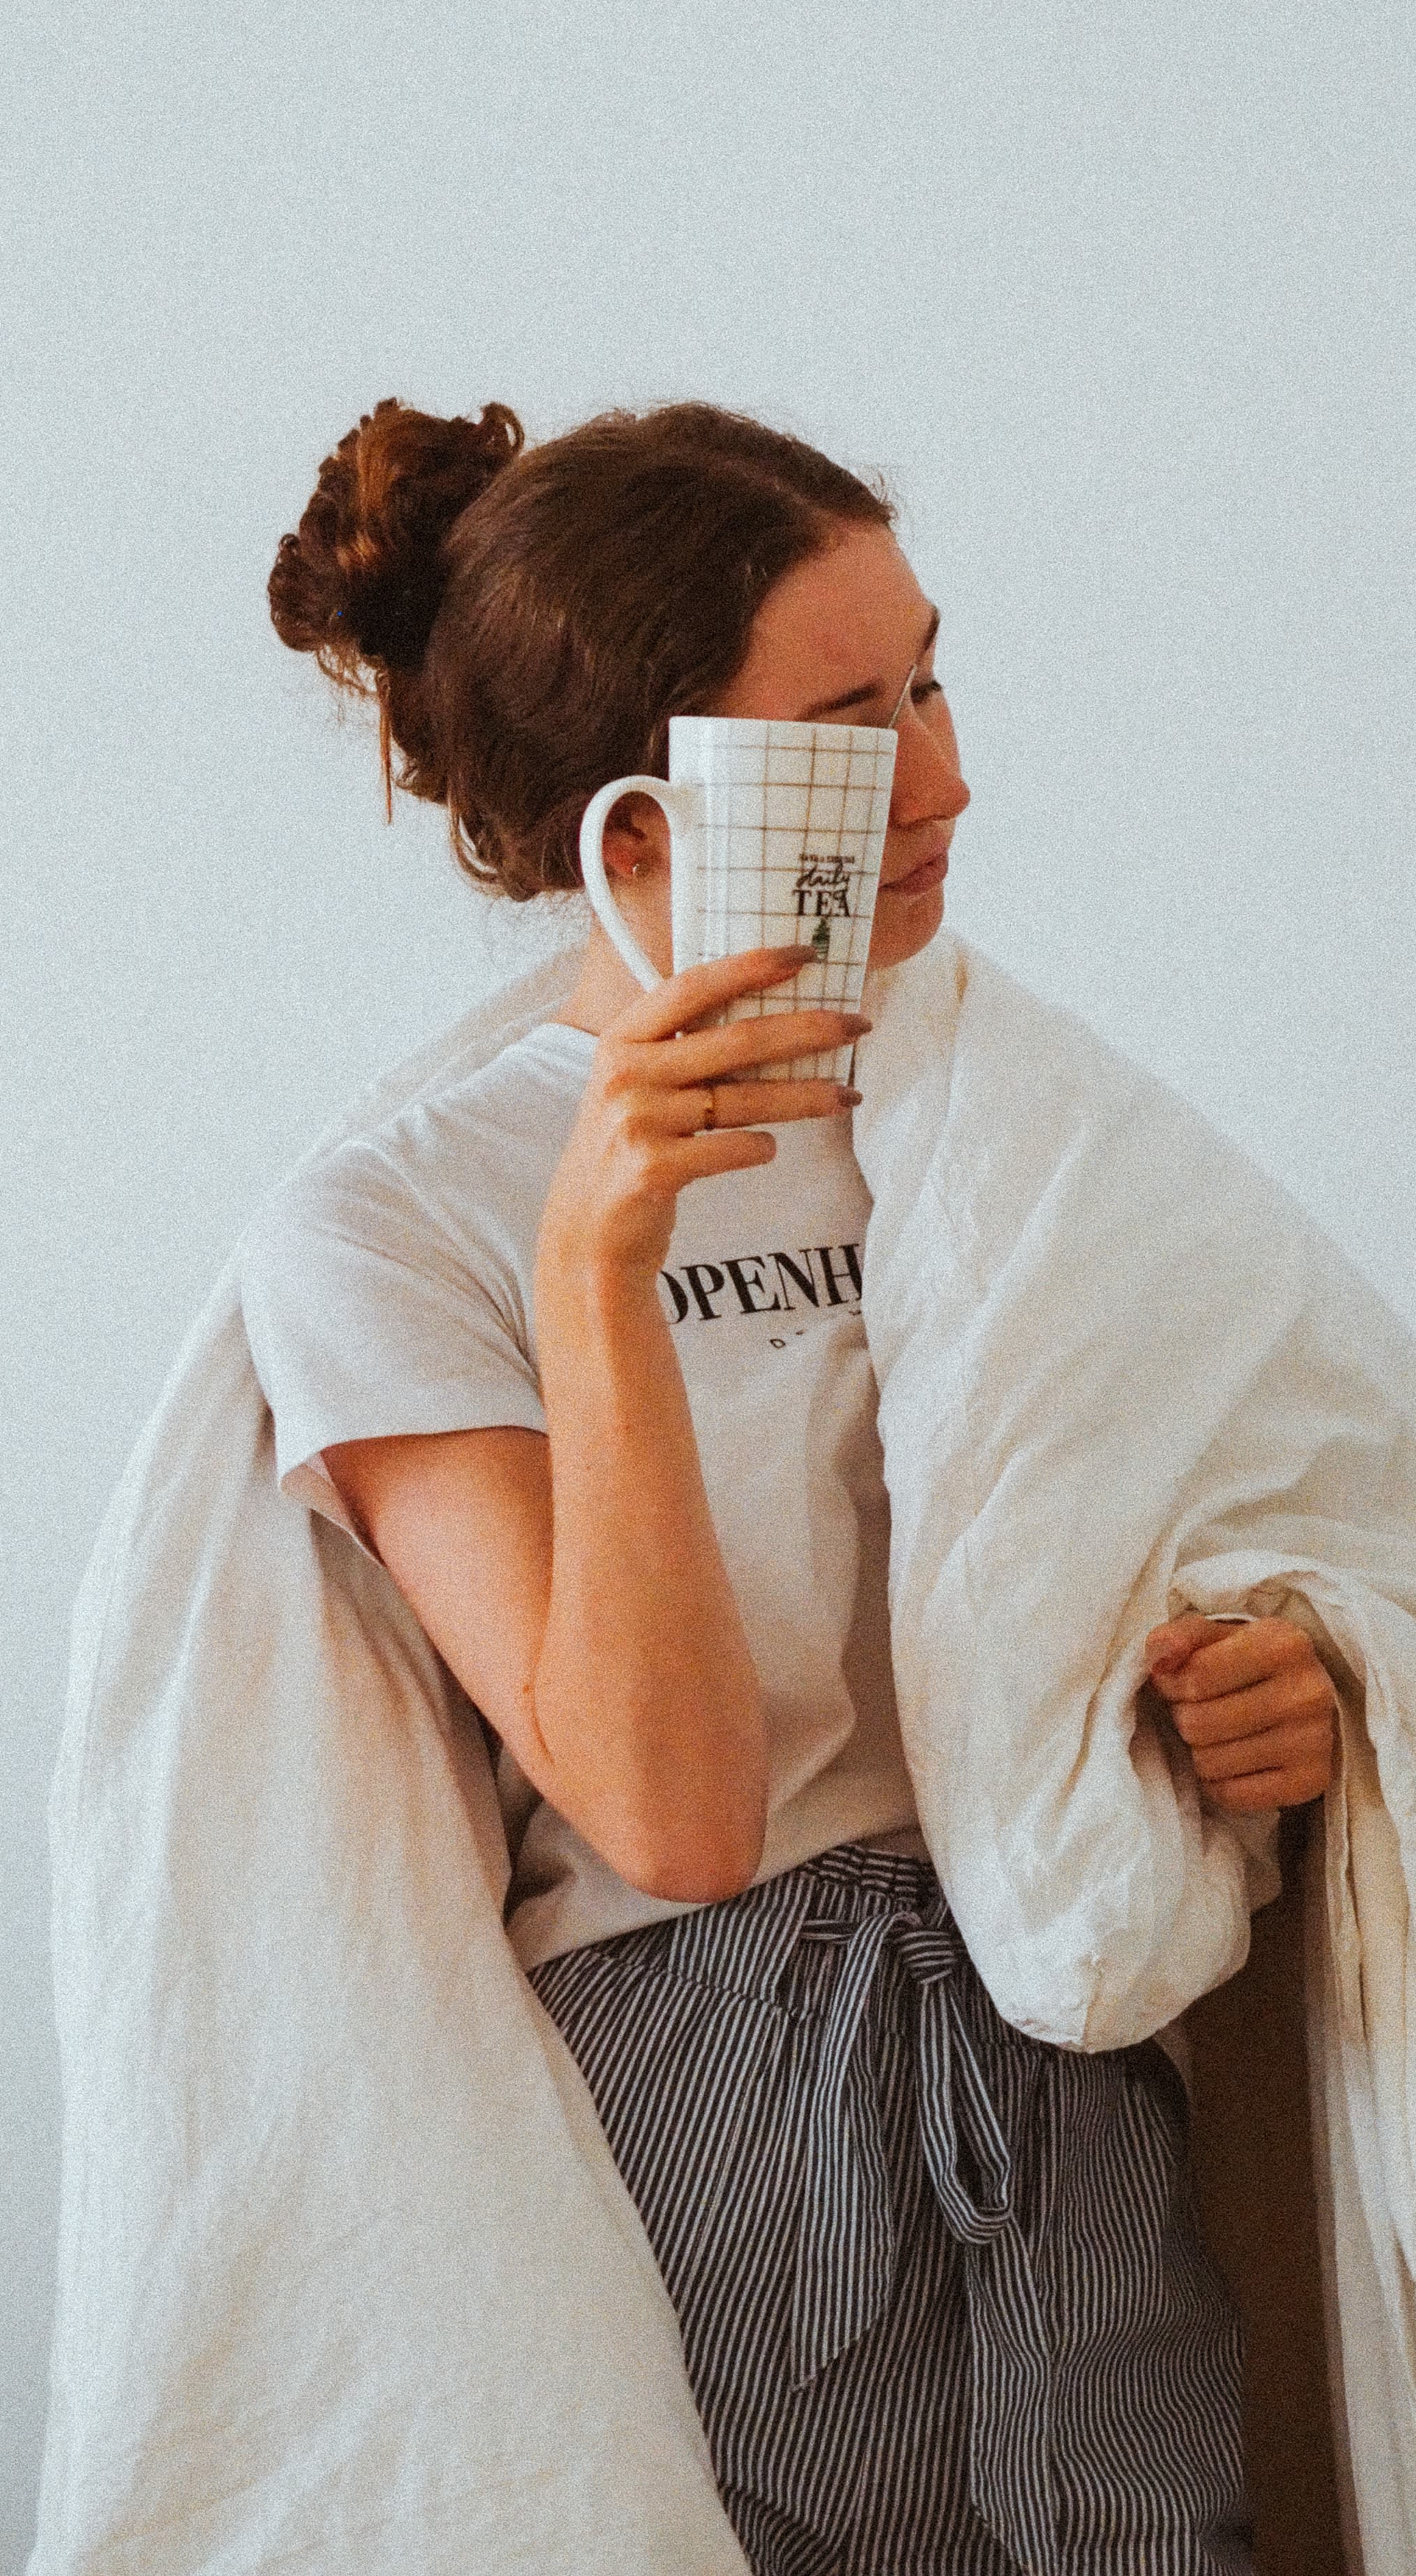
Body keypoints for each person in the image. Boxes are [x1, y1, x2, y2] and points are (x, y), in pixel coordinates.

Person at [241, 395, 1341, 2576]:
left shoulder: (1009, 1121)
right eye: (851, 722)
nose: (944, 774)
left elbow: (1203, 1535)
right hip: (715, 2086)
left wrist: (1276, 1693)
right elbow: (667, 1812)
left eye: (931, 674)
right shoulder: (396, 1228)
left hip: (1060, 2020)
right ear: (641, 829)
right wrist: (596, 1268)